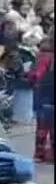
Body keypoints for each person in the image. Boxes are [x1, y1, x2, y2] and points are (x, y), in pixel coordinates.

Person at [31, 35, 54, 163]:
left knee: (42, 124)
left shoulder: (42, 56)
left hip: (44, 93)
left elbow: (36, 75)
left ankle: (39, 153)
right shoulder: (46, 56)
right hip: (48, 92)